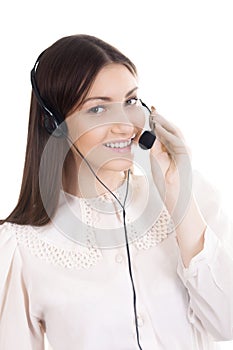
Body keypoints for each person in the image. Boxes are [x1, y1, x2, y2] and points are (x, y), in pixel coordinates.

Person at [0, 34, 232, 350]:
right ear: (53, 123)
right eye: (98, 109)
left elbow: (227, 321)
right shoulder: (22, 248)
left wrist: (179, 192)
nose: (124, 124)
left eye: (130, 102)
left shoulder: (191, 200)